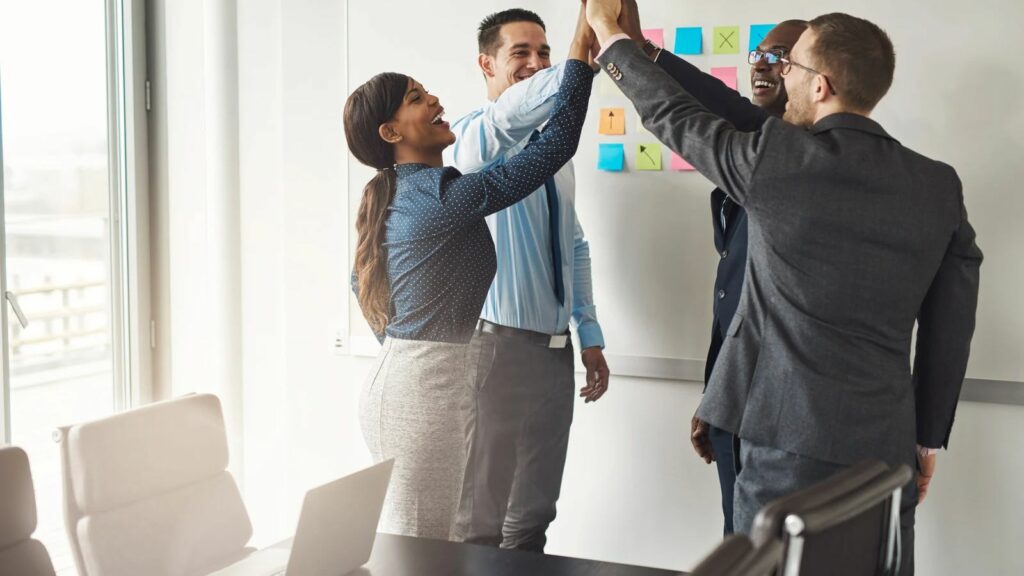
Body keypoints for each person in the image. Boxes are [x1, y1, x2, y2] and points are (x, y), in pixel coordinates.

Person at [586, 3, 982, 572]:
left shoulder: (778, 159)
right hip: (886, 447)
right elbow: (952, 320)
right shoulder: (937, 185)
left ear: (820, 86)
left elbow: (672, 114)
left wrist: (606, 36)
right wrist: (926, 438)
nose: (781, 76)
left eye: (790, 67)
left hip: (783, 440)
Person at [343, 7, 596, 539]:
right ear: (391, 131)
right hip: (424, 389)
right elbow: (554, 140)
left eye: (425, 91)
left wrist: (403, 348)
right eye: (416, 99)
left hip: (428, 376)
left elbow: (359, 280)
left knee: (441, 542)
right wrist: (582, 45)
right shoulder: (444, 190)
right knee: (429, 545)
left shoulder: (416, 192)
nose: (435, 99)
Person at [613, 0, 806, 536]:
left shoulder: (806, 161)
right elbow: (736, 297)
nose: (762, 65)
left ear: (819, 79)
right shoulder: (752, 154)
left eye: (781, 56)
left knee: (762, 552)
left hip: (781, 419)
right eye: (758, 53)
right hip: (733, 400)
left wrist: (621, 47)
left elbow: (702, 109)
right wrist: (715, 396)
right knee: (737, 543)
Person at [446, 8, 609, 553]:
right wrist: (582, 48)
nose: (536, 64)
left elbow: (575, 243)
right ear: (485, 64)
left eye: (544, 53)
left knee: (536, 513)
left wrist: (589, 334)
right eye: (522, 53)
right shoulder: (472, 141)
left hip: (553, 354)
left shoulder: (555, 155)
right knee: (482, 518)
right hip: (495, 352)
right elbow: (511, 116)